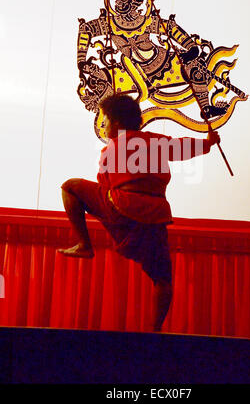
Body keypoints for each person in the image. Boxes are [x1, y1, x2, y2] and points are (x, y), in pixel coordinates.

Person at [58, 95, 220, 331]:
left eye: (105, 120)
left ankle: (84, 244)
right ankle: (155, 330)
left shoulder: (110, 148)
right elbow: (185, 147)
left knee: (70, 186)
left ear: (116, 122)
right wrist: (209, 142)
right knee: (162, 281)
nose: (103, 126)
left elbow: (105, 184)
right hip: (155, 215)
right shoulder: (157, 142)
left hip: (122, 207)